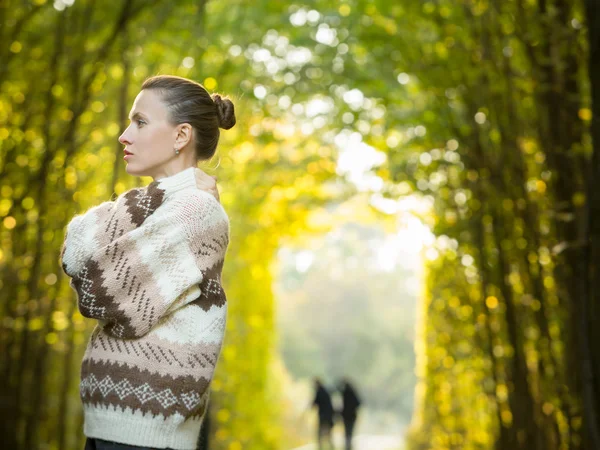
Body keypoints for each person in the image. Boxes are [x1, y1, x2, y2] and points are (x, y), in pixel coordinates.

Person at [60, 75, 236, 450]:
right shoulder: (160, 204)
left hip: (146, 433)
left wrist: (167, 195)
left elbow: (98, 294)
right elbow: (73, 250)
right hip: (115, 427)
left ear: (180, 136)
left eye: (140, 122)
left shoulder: (196, 211)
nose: (125, 135)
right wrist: (158, 193)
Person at [312, 378, 335, 449]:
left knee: (321, 434)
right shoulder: (325, 391)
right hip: (328, 416)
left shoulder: (320, 392)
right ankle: (331, 447)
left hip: (323, 416)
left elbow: (314, 403)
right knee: (328, 434)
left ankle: (320, 447)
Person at [339, 378, 361, 450]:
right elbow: (358, 403)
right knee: (349, 432)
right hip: (351, 416)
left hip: (348, 416)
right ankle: (348, 446)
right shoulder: (351, 392)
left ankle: (348, 446)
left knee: (348, 431)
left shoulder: (346, 393)